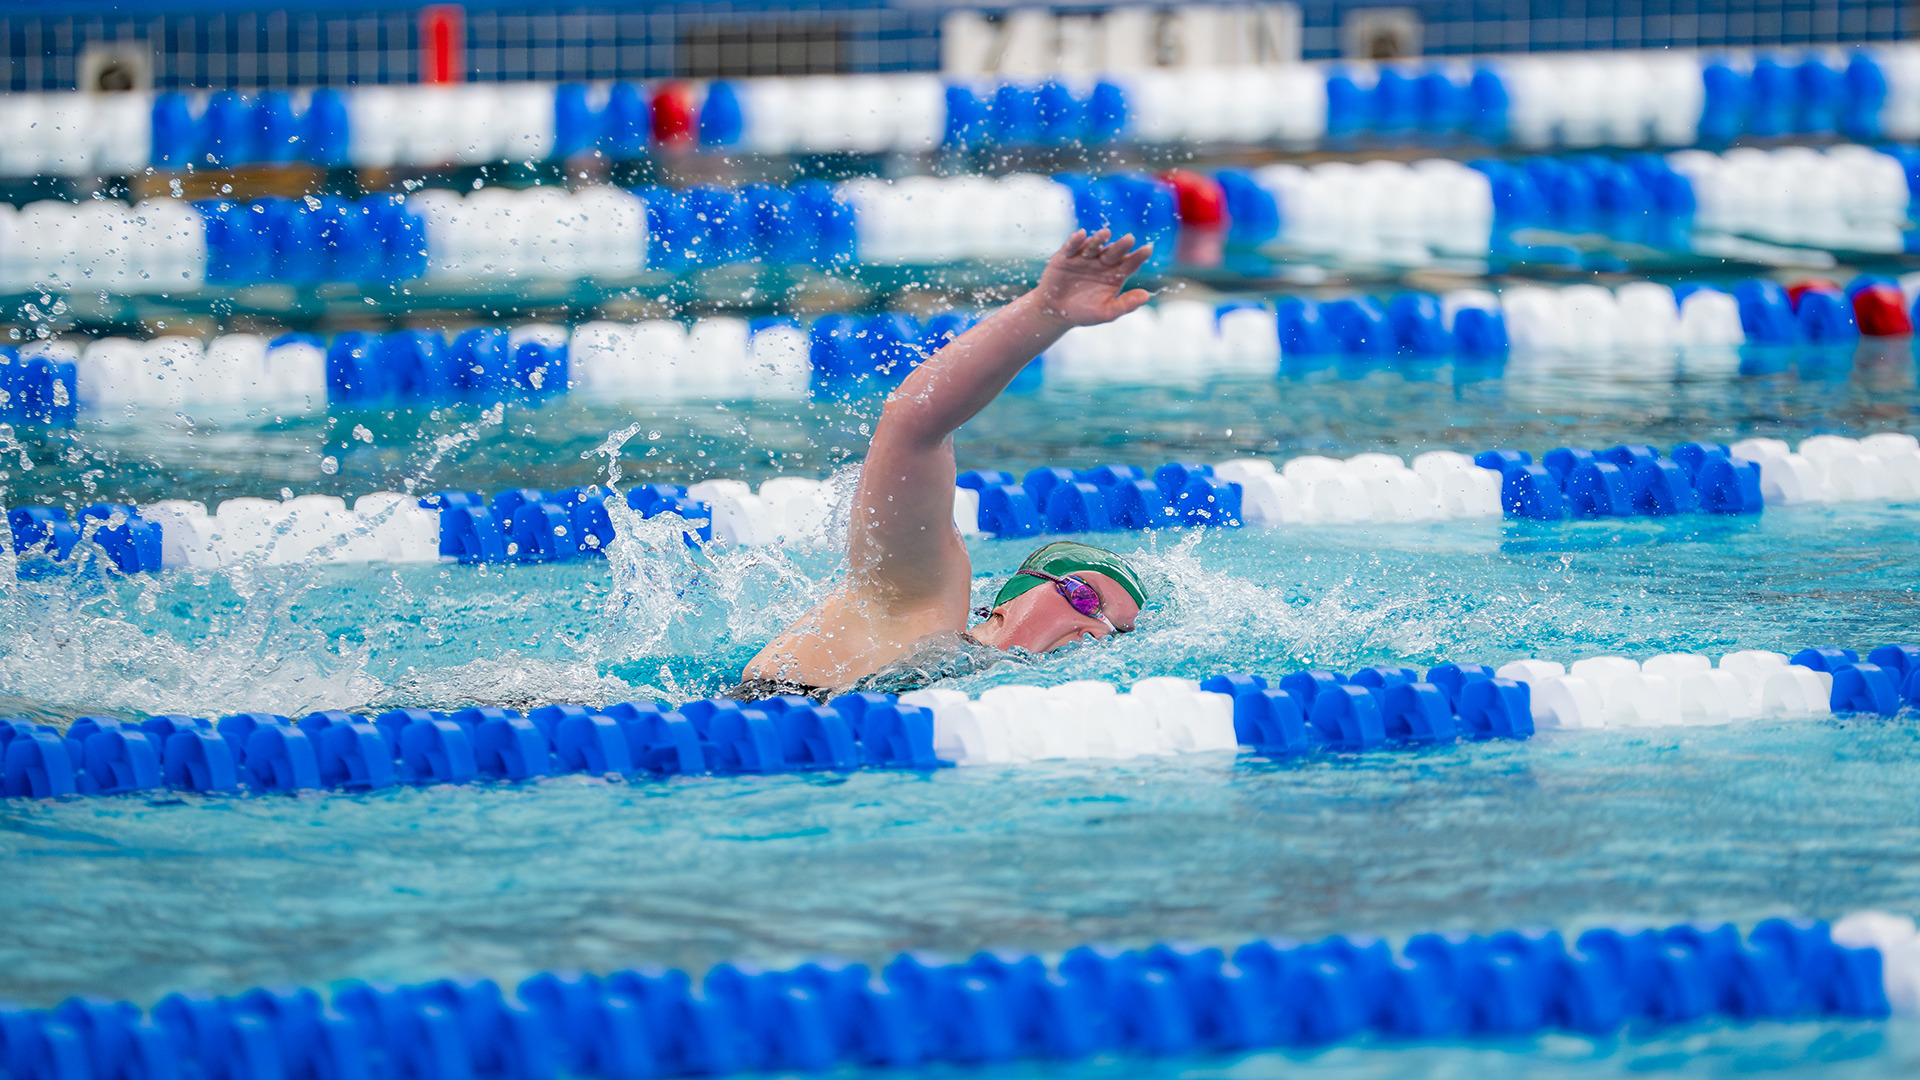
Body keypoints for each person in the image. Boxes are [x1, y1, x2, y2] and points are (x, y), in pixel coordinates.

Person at [731, 228, 1156, 702]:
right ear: (1009, 600)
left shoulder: (992, 695)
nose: (1095, 631)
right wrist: (1044, 312)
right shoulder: (919, 607)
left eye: (1115, 629)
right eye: (1084, 596)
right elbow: (912, 425)